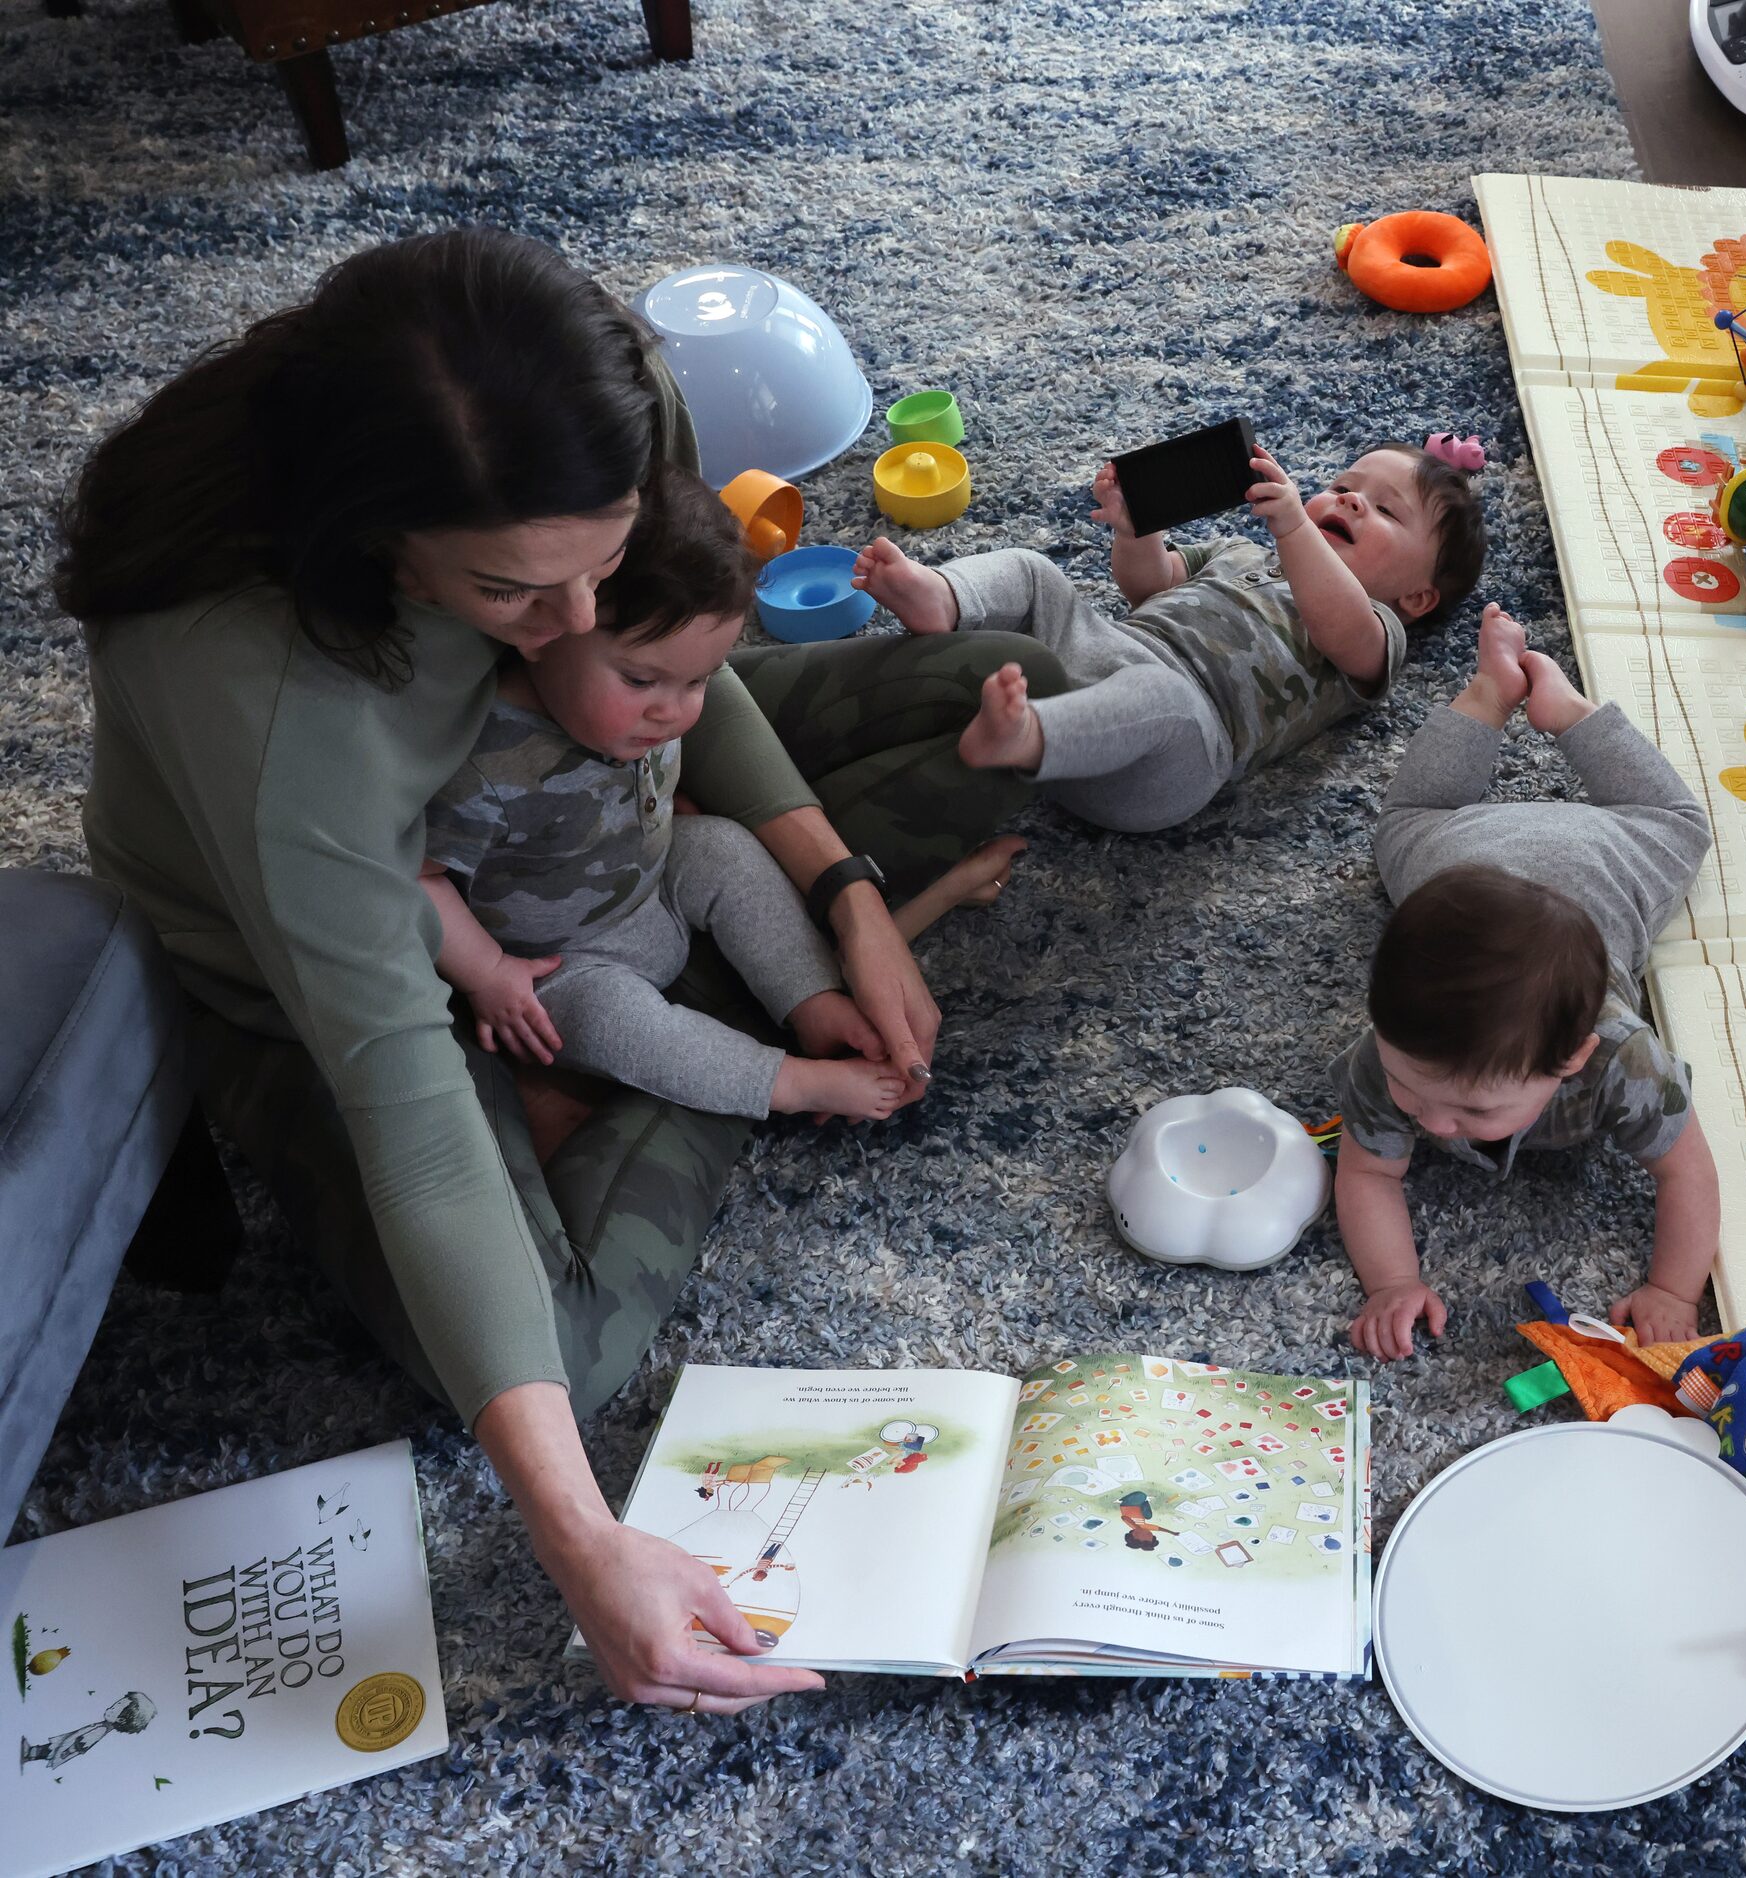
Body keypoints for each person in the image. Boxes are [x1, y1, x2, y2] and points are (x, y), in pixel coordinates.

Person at [59, 228, 1061, 1716]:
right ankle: (706, 1051)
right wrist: (584, 1536)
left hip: (603, 807)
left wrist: (841, 894)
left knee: (1007, 707)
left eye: (601, 564)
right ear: (379, 544)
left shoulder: (601, 421)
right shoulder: (279, 715)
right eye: (519, 595)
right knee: (559, 1365)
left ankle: (683, 1030)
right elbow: (403, 1098)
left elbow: (676, 661)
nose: (580, 617)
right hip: (352, 976)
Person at [419, 466, 1018, 1123]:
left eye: (699, 680)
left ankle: (811, 1000)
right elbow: (418, 879)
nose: (673, 713)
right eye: (642, 679)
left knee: (726, 848)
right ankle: (789, 1082)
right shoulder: (486, 770)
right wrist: (487, 974)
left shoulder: (635, 700)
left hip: (655, 881)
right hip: (566, 963)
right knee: (603, 1022)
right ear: (549, 626)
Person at [1327, 606, 1722, 1358]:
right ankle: (1487, 691)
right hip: (1455, 850)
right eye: (1416, 1095)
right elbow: (1367, 1173)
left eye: (1473, 1107)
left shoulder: (1626, 1065)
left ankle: (1562, 707)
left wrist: (1674, 1290)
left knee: (1676, 819)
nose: (1434, 1125)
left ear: (1572, 1057)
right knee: (1406, 818)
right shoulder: (1386, 1053)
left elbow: (1688, 1173)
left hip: (1602, 851)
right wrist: (1390, 1283)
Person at [849, 435, 1486, 831]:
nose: (1348, 501)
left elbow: (1339, 628)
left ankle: (1027, 736)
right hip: (1105, 652)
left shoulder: (1378, 629)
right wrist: (1138, 530)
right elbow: (1149, 587)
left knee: (1159, 695)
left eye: (1384, 511)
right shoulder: (1240, 550)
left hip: (1180, 750)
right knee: (1036, 573)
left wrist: (1295, 531)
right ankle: (941, 597)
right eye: (1345, 487)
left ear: (1416, 597)